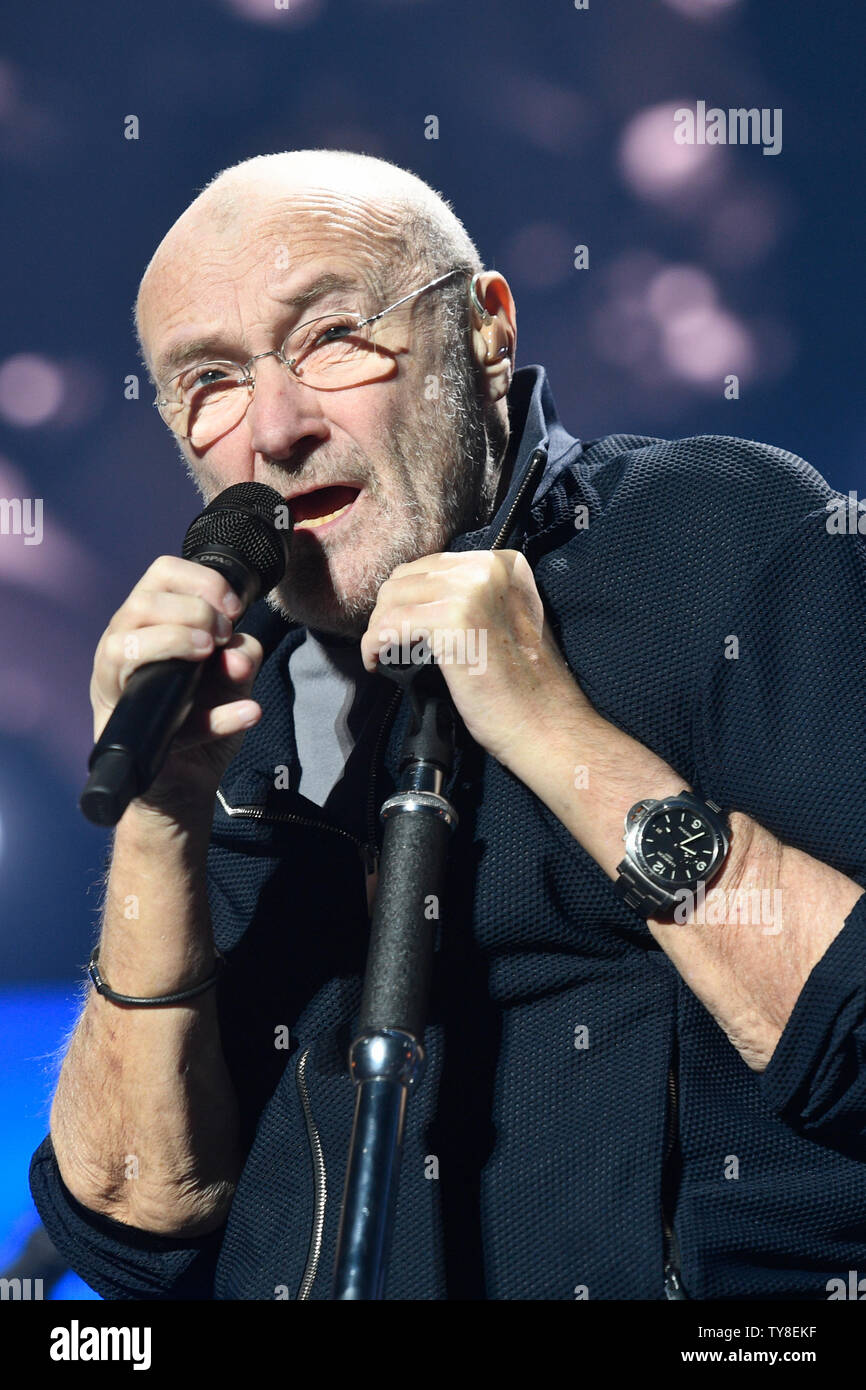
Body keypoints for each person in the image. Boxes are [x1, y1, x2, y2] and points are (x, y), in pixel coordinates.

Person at [30, 150, 866, 1301]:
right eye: (208, 380)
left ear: (484, 333)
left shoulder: (715, 535)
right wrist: (158, 826)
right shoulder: (231, 715)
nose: (273, 429)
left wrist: (557, 734)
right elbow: (134, 1222)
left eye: (329, 334)